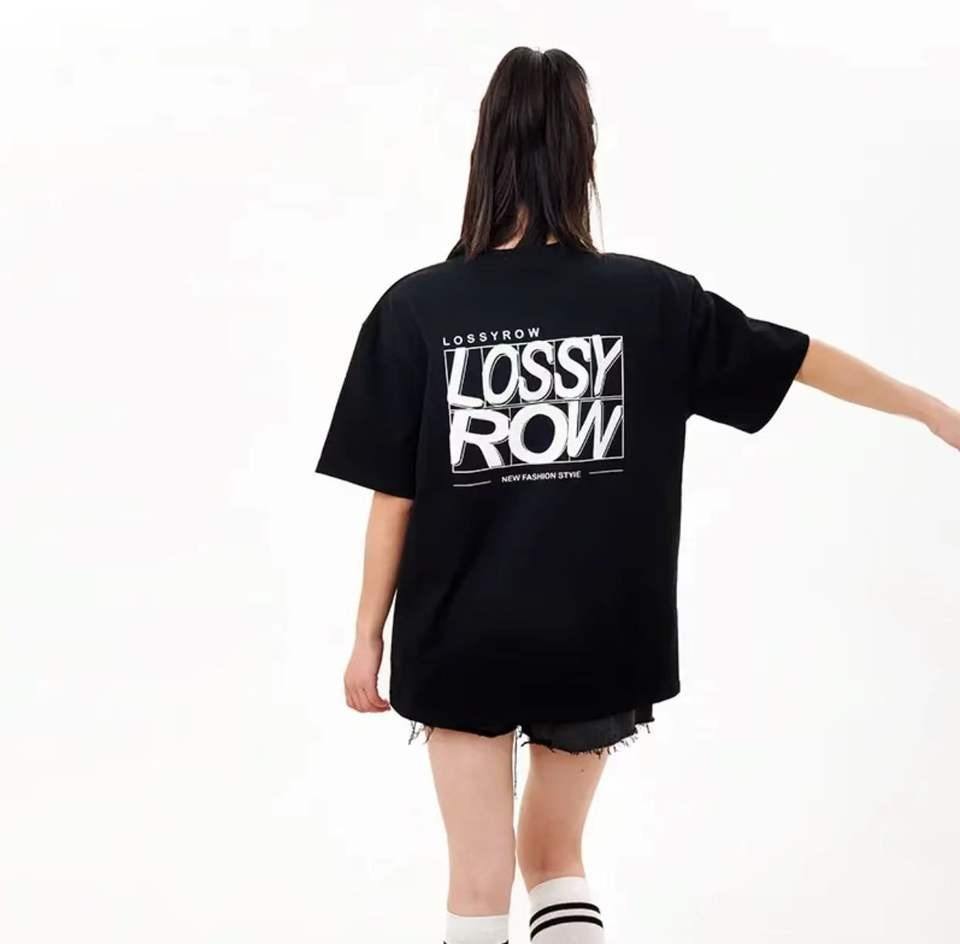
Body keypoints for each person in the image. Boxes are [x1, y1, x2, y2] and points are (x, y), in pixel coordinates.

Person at [315, 46, 958, 944]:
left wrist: (366, 637)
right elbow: (797, 356)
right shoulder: (650, 300)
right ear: (583, 148)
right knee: (555, 855)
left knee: (478, 876)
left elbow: (396, 495)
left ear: (484, 147)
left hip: (460, 633)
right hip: (598, 628)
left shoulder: (418, 308)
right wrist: (927, 406)